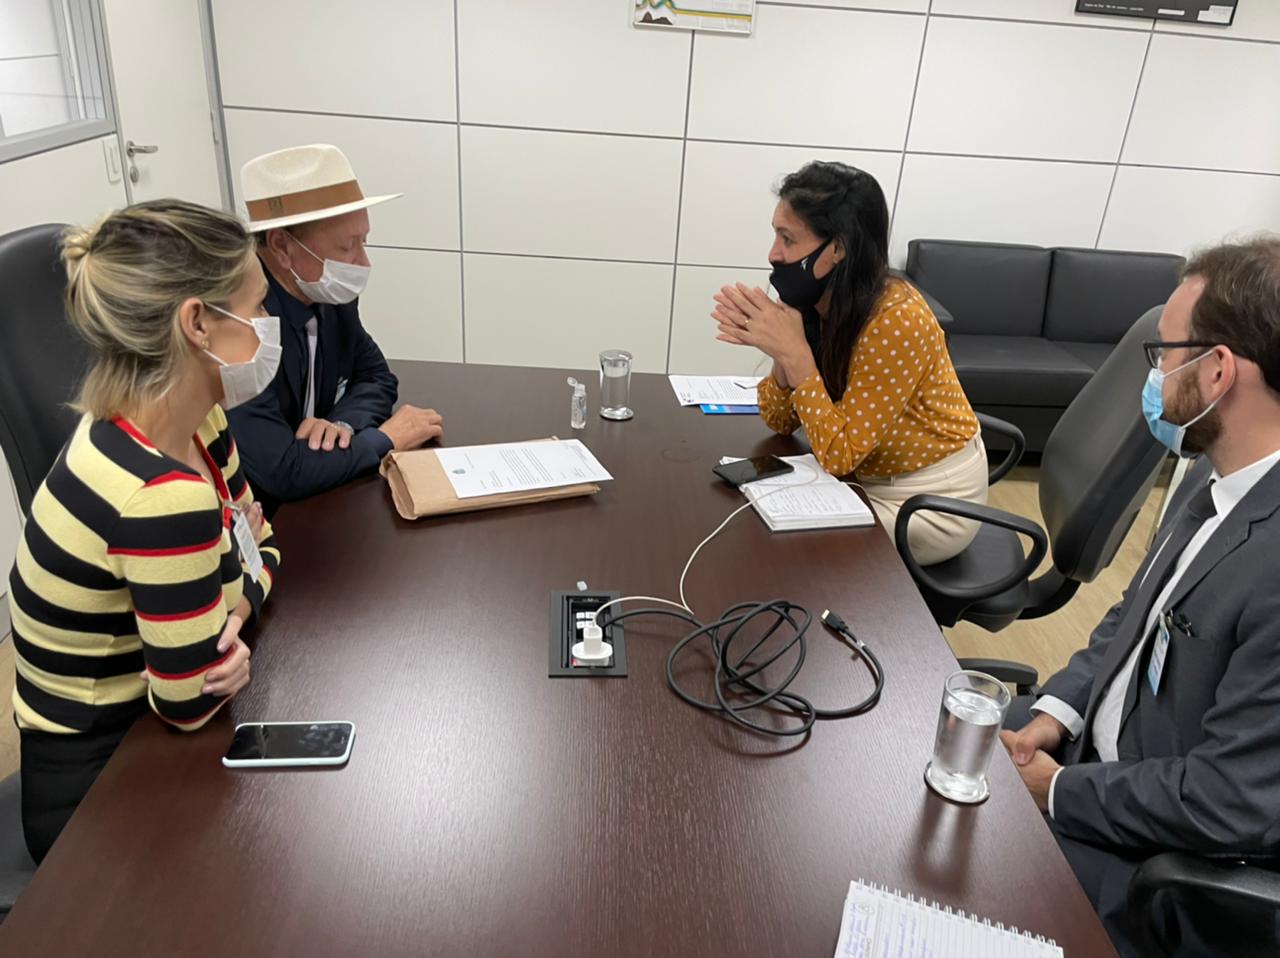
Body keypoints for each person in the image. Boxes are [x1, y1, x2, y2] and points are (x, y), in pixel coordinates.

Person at [1001, 236, 1280, 957]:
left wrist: (1059, 794)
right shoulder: (1209, 471)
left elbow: (1226, 803)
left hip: (1158, 858)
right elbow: (1138, 614)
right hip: (1096, 758)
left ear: (1218, 369)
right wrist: (1056, 713)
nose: (1155, 374)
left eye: (1166, 353)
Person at [8, 200, 281, 863]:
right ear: (197, 323)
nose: (269, 329)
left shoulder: (187, 423)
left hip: (137, 735)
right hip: (96, 785)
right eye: (256, 309)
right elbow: (192, 699)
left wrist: (234, 594)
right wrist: (238, 574)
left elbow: (265, 546)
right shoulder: (161, 495)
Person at [711, 161, 986, 565]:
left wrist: (795, 354)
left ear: (838, 248)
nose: (774, 254)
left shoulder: (897, 319)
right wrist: (784, 354)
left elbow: (839, 454)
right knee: (750, 522)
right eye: (775, 234)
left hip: (928, 499)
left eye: (788, 238)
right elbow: (778, 419)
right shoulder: (818, 301)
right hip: (862, 478)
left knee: (796, 551)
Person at [227, 143, 443, 513]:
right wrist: (383, 439)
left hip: (320, 503)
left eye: (364, 242)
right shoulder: (240, 325)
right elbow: (280, 470)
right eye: (347, 247)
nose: (362, 262)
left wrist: (341, 424)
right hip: (261, 521)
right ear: (281, 246)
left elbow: (376, 376)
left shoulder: (329, 295)